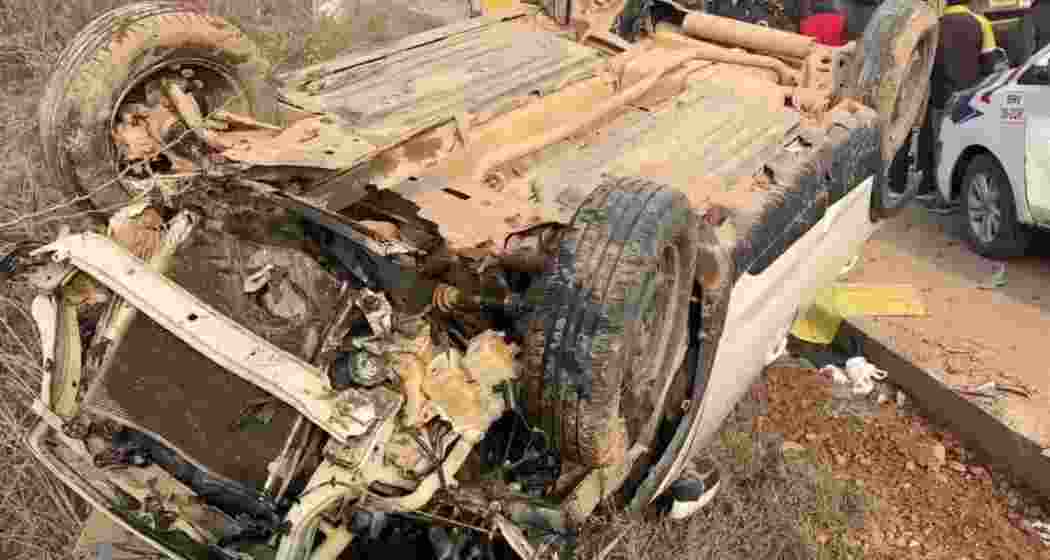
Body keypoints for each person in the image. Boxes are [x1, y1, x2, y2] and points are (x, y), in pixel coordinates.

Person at [916, 0, 1001, 210]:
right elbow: (990, 64)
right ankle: (968, 195)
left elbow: (925, 64)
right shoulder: (981, 23)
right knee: (972, 146)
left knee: (941, 147)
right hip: (971, 98)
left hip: (940, 97)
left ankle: (942, 199)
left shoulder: (934, 25)